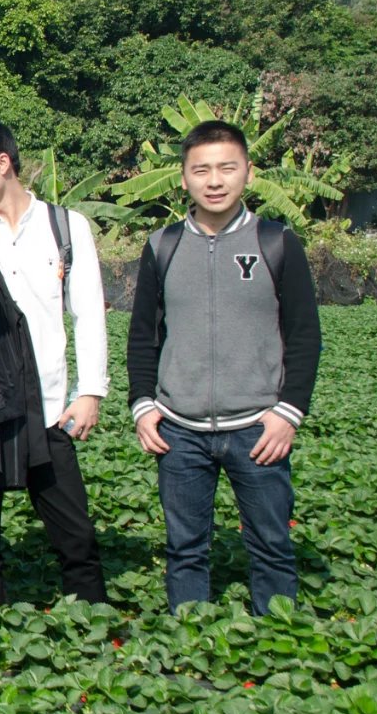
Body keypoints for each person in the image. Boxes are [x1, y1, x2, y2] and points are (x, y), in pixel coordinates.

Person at [126, 120, 321, 616]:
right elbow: (144, 336)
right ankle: (191, 647)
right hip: (180, 430)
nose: (215, 181)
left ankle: (279, 647)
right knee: (184, 549)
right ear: (184, 178)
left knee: (272, 545)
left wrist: (288, 411)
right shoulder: (162, 247)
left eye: (226, 168)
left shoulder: (277, 242)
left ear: (248, 174)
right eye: (202, 170)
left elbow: (304, 335)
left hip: (258, 428)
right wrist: (143, 406)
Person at [0, 116, 110, 605]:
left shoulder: (65, 226)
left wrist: (91, 390)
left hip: (50, 405)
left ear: (3, 163)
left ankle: (93, 625)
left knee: (74, 533)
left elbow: (89, 312)